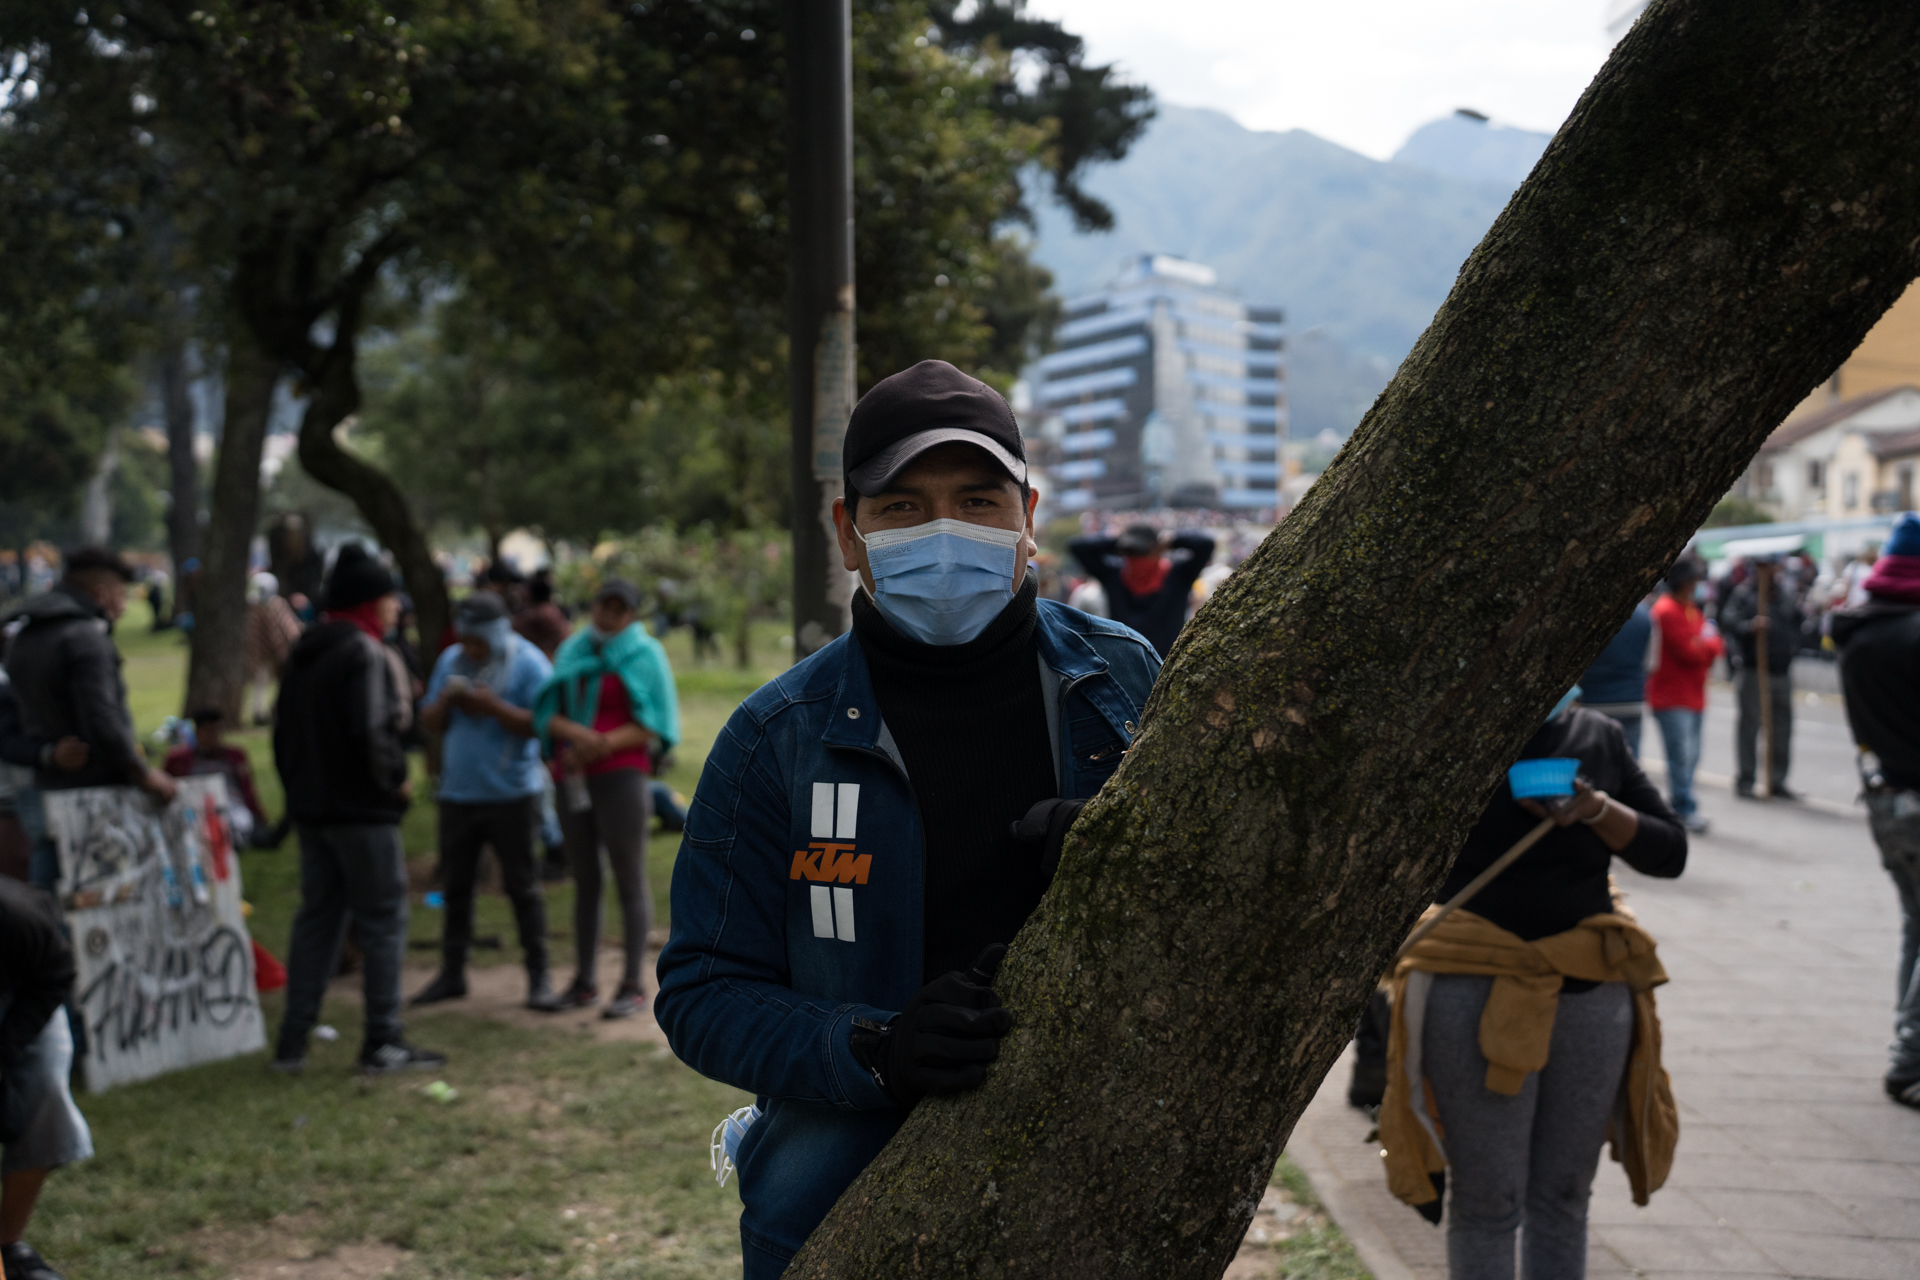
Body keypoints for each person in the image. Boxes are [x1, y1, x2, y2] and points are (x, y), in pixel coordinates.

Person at [654, 359, 1162, 1278]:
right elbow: (702, 993)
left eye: (978, 500)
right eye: (901, 507)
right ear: (848, 533)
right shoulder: (777, 738)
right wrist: (877, 1049)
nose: (944, 532)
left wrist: (1125, 864)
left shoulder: (1121, 687)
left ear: (1028, 517)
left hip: (1089, 1195)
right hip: (840, 1212)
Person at [1379, 689, 1686, 1280]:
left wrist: (1596, 809)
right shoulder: (1452, 727)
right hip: (1468, 983)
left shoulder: (1595, 734)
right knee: (1488, 1200)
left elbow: (1669, 851)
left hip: (1592, 989)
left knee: (1566, 1196)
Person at [270, 545, 444, 1076]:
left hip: (314, 812)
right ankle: (382, 1040)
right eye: (389, 598)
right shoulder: (364, 652)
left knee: (318, 920)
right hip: (361, 812)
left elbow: (282, 737)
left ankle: (292, 1042)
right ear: (371, 602)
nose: (396, 607)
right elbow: (372, 730)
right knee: (384, 920)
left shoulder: (305, 650)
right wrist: (393, 781)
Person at [531, 578, 679, 1019]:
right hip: (572, 772)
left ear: (632, 614)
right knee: (585, 879)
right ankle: (584, 980)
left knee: (628, 876)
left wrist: (602, 743)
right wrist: (578, 736)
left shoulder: (646, 653)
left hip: (622, 774)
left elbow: (655, 721)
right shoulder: (574, 649)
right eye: (603, 606)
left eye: (619, 608)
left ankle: (633, 983)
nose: (608, 615)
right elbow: (546, 712)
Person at [411, 591, 556, 1009]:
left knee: (523, 888)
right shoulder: (450, 662)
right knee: (456, 888)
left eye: (478, 641)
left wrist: (494, 707)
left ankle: (539, 977)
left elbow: (543, 726)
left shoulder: (528, 663)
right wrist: (446, 702)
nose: (471, 648)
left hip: (513, 793)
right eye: (466, 639)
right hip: (458, 793)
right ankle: (451, 974)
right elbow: (428, 721)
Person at [3, 547, 178, 888]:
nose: (124, 606)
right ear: (101, 593)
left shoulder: (22, 635)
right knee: (96, 900)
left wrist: (46, 754)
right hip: (93, 796)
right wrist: (143, 775)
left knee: (50, 887)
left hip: (40, 789)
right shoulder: (85, 638)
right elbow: (103, 723)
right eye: (121, 595)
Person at [1830, 510, 1920, 1112]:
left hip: (1886, 800)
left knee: (1916, 922)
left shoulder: (1856, 633)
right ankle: (1908, 1060)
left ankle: (1906, 1043)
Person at [0, 878, 92, 1280]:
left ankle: (8, 1244)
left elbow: (58, 973)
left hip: (26, 996)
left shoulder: (17, 917)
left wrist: (4, 1051)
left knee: (45, 1097)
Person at [1647, 558, 1723, 834]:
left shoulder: (1690, 610)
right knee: (1681, 756)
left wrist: (1706, 645)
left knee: (1692, 756)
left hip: (1692, 695)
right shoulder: (1666, 611)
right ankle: (1682, 807)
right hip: (1671, 697)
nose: (1696, 586)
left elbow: (1714, 642)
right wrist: (1706, 645)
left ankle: (1684, 803)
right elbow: (1691, 652)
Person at [1722, 555, 1804, 799]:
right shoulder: (1744, 594)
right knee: (1750, 726)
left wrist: (1792, 647)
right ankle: (1746, 780)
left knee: (1782, 727)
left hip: (1780, 670)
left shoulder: (1783, 594)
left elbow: (1798, 622)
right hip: (1754, 671)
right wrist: (1750, 626)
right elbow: (1728, 622)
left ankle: (1777, 780)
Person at [1068, 522, 1215, 657]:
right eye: (1130, 552)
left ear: (1158, 550)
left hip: (1167, 667)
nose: (1136, 559)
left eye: (1142, 552)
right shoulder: (1114, 577)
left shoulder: (1178, 577)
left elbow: (1206, 544)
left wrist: (1170, 541)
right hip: (1126, 666)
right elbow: (1077, 546)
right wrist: (1120, 541)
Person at [163, 709, 273, 846]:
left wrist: (258, 814)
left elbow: (248, 788)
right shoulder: (178, 759)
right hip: (197, 807)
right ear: (197, 732)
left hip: (232, 804)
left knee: (240, 822)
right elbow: (167, 786)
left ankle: (250, 838)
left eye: (217, 730)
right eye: (208, 731)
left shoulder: (235, 756)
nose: (214, 735)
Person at [1578, 597, 1653, 755]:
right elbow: (1652, 664)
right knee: (1629, 763)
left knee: (1593, 764)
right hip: (1631, 701)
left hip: (1593, 701)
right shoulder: (1645, 615)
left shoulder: (1586, 613)